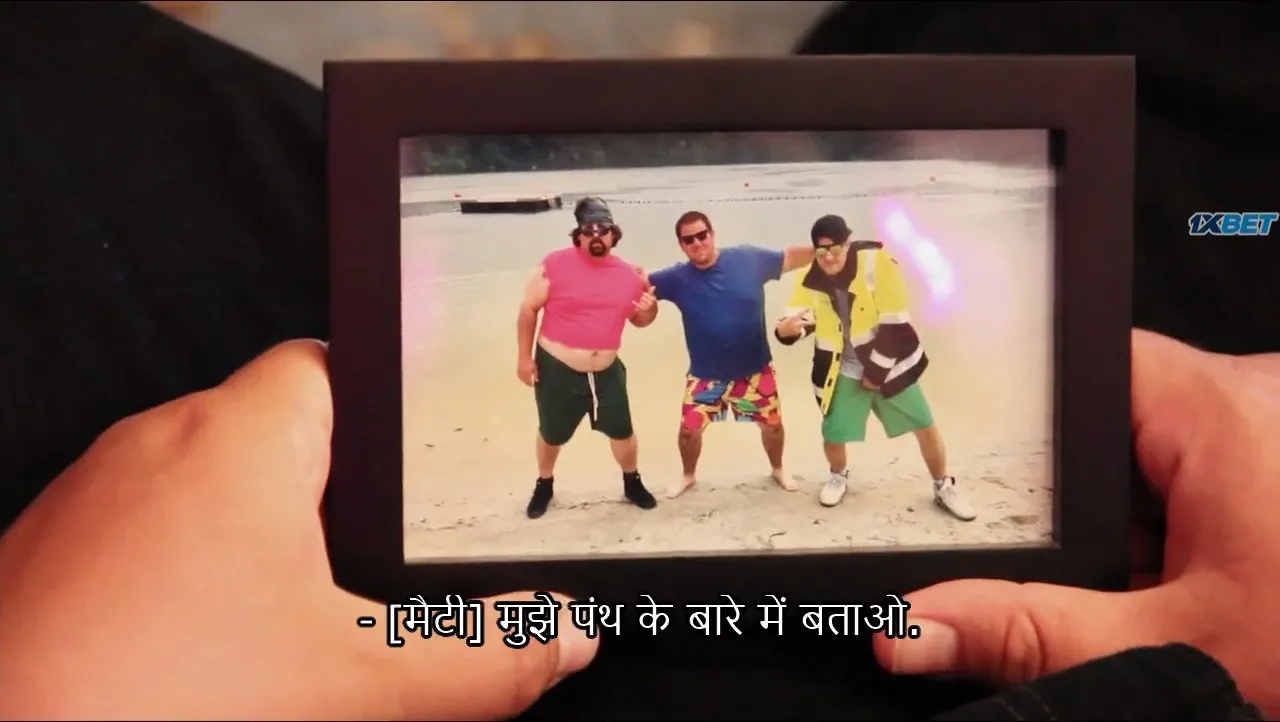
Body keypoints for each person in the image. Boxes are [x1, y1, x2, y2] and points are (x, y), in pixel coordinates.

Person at [2, 1, 1280, 720]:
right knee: (683, 431)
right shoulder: (656, 273)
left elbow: (832, 267)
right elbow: (621, 302)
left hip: (808, 376)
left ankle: (820, 481)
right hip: (650, 388)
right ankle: (646, 486)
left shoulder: (778, 261)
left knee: (814, 425)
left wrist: (851, 277)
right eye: (669, 234)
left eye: (674, 233)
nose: (673, 244)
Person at [774, 214, 975, 521]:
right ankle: (838, 476)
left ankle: (943, 485)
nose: (828, 257)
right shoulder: (810, 275)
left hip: (889, 363)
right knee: (833, 433)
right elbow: (801, 320)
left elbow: (895, 323)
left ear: (848, 244)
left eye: (835, 249)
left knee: (924, 424)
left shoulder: (878, 262)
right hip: (842, 367)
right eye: (821, 251)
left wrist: (876, 374)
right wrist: (786, 331)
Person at [637, 210, 815, 499]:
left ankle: (778, 468)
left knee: (772, 426)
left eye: (702, 235)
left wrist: (827, 248)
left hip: (755, 369)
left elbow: (790, 257)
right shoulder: (675, 278)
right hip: (705, 376)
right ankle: (688, 475)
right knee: (688, 432)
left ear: (712, 234)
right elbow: (638, 288)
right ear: (681, 244)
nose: (697, 243)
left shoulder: (748, 259)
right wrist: (631, 291)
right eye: (689, 239)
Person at [516, 197, 659, 519]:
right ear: (578, 235)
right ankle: (544, 483)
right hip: (557, 369)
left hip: (606, 371)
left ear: (613, 234)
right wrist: (524, 359)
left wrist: (651, 309)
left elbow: (641, 320)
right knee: (552, 433)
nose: (596, 236)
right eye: (588, 230)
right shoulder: (554, 264)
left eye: (603, 230)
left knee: (623, 431)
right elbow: (528, 309)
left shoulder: (629, 275)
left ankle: (632, 482)